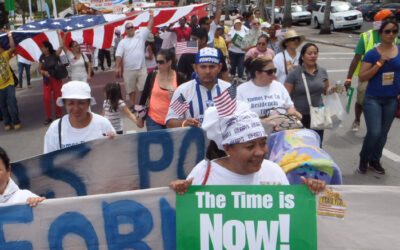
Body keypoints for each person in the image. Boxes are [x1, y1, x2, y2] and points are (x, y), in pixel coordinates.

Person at [169, 101, 326, 193]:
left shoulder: (274, 172)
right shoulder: (203, 174)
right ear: (228, 148)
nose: (259, 152)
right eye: (250, 146)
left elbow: (290, 219)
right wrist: (178, 192)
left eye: (263, 143)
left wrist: (311, 194)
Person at [357, 20, 400, 175]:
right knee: (374, 132)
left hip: (392, 99)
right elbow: (362, 76)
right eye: (387, 31)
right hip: (373, 99)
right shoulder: (372, 53)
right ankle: (364, 158)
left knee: (383, 134)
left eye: (394, 31)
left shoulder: (399, 50)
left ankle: (375, 160)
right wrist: (379, 64)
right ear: (381, 33)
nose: (391, 34)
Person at [344, 10, 398, 132]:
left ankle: (376, 128)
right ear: (381, 21)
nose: (393, 21)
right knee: (361, 100)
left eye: (394, 18)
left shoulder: (394, 36)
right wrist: (349, 78)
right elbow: (356, 58)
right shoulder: (367, 37)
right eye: (390, 18)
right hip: (367, 76)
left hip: (387, 76)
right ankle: (357, 119)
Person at [44, 81, 116, 153]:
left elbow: (115, 154)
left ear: (88, 103)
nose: (76, 108)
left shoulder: (103, 124)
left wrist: (115, 142)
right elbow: (48, 161)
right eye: (71, 103)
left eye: (81, 103)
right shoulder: (55, 129)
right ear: (64, 104)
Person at [166, 47, 231, 127]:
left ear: (219, 67)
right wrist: (184, 124)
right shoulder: (184, 91)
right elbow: (171, 120)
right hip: (194, 139)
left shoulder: (229, 90)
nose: (207, 71)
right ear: (196, 68)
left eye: (212, 66)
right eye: (203, 67)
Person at [285, 43, 330, 144]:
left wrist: (333, 90)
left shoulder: (322, 71)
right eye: (309, 53)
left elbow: (326, 91)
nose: (313, 55)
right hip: (299, 116)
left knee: (317, 144)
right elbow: (286, 96)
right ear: (302, 56)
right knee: (301, 146)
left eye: (315, 53)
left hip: (318, 115)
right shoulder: (294, 74)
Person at [137, 49, 186, 131]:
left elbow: (185, 100)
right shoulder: (152, 75)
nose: (158, 64)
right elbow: (144, 96)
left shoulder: (179, 78)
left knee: (171, 143)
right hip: (153, 119)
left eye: (161, 62)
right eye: (157, 62)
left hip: (173, 120)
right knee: (156, 143)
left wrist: (175, 97)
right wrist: (140, 117)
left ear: (169, 62)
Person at [115, 10, 154, 109]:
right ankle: (132, 106)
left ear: (134, 28)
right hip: (128, 70)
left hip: (141, 68)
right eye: (128, 28)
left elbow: (150, 26)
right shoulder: (122, 42)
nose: (131, 29)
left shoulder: (140, 36)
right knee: (131, 90)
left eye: (132, 27)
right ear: (126, 30)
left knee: (144, 89)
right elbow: (119, 56)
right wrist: (116, 68)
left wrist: (151, 15)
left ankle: (146, 105)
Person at [39, 32, 64, 125]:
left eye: (42, 47)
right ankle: (48, 117)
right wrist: (43, 72)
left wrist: (59, 35)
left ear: (47, 48)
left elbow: (61, 46)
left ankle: (58, 115)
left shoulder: (54, 55)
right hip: (47, 80)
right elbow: (39, 69)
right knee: (47, 98)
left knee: (57, 97)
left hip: (56, 79)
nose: (41, 48)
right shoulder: (42, 57)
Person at [0, 30, 21, 131]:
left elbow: (13, 48)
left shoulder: (4, 55)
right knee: (3, 106)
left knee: (12, 102)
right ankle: (7, 123)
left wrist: (10, 36)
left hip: (9, 84)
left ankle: (16, 121)